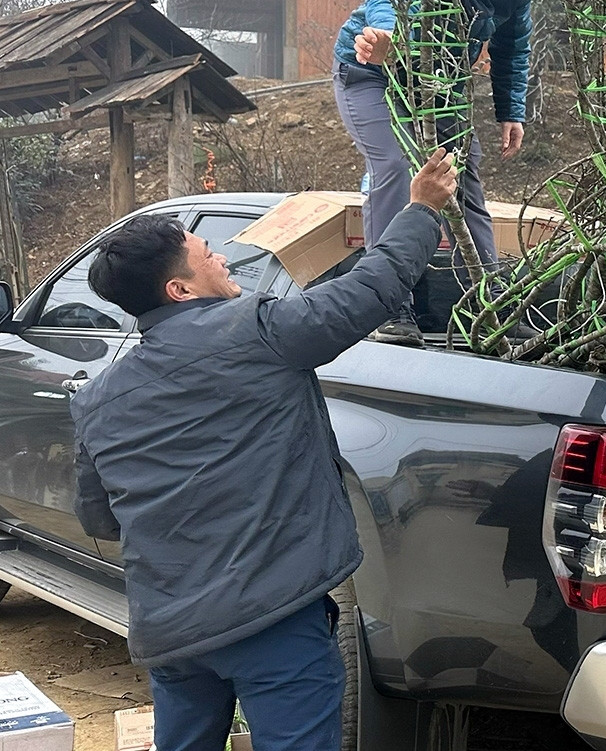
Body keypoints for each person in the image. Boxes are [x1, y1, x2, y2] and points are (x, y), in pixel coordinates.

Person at [69, 149, 459, 751]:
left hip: (172, 632)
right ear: (179, 289)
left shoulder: (96, 397)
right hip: (272, 618)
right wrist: (420, 210)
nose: (221, 256)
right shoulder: (253, 330)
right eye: (206, 256)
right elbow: (366, 293)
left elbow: (99, 517)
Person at [333, 0, 540, 346]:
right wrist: (386, 37)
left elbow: (512, 47)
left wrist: (511, 110)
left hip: (438, 86)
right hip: (371, 74)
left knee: (463, 178)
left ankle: (494, 305)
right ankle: (389, 304)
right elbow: (387, 0)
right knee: (396, 167)